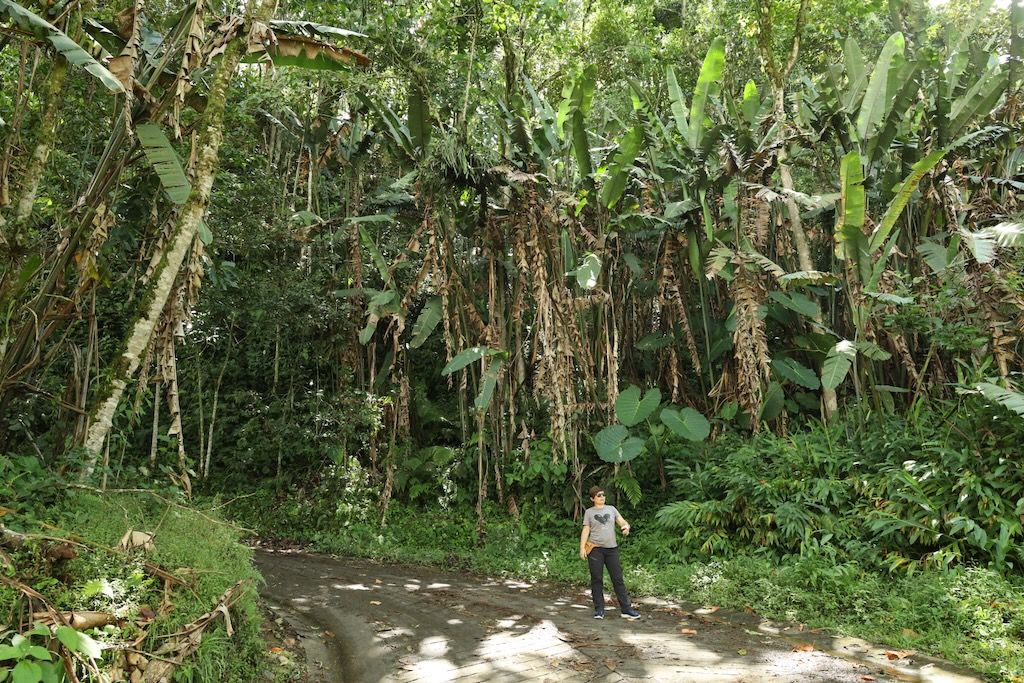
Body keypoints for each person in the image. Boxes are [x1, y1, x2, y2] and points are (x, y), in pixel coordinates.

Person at [579, 485, 641, 620]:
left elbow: (622, 521)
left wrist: (626, 527)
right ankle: (599, 609)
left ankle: (626, 609)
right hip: (595, 549)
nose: (602, 497)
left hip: (612, 549)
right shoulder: (589, 512)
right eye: (598, 495)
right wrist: (582, 547)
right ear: (592, 499)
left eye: (603, 495)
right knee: (597, 579)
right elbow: (586, 530)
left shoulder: (611, 509)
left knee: (618, 579)